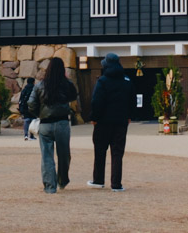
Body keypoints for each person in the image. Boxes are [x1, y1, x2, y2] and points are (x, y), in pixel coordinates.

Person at [87, 52, 136, 192]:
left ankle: (98, 180)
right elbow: (132, 101)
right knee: (117, 153)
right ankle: (116, 184)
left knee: (100, 151)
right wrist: (130, 116)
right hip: (121, 122)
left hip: (103, 122)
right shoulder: (127, 80)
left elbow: (96, 102)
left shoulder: (102, 81)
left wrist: (94, 118)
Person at [32, 57, 79, 193]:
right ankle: (62, 180)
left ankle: (49, 186)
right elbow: (73, 96)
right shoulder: (67, 84)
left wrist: (39, 113)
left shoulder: (40, 85)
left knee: (47, 156)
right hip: (62, 122)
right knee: (64, 154)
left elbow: (31, 103)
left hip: (45, 123)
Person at [18, 76, 37, 141]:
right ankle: (31, 135)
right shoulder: (35, 89)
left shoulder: (24, 89)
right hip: (33, 106)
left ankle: (26, 135)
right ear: (33, 82)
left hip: (25, 107)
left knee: (26, 121)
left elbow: (21, 99)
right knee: (32, 121)